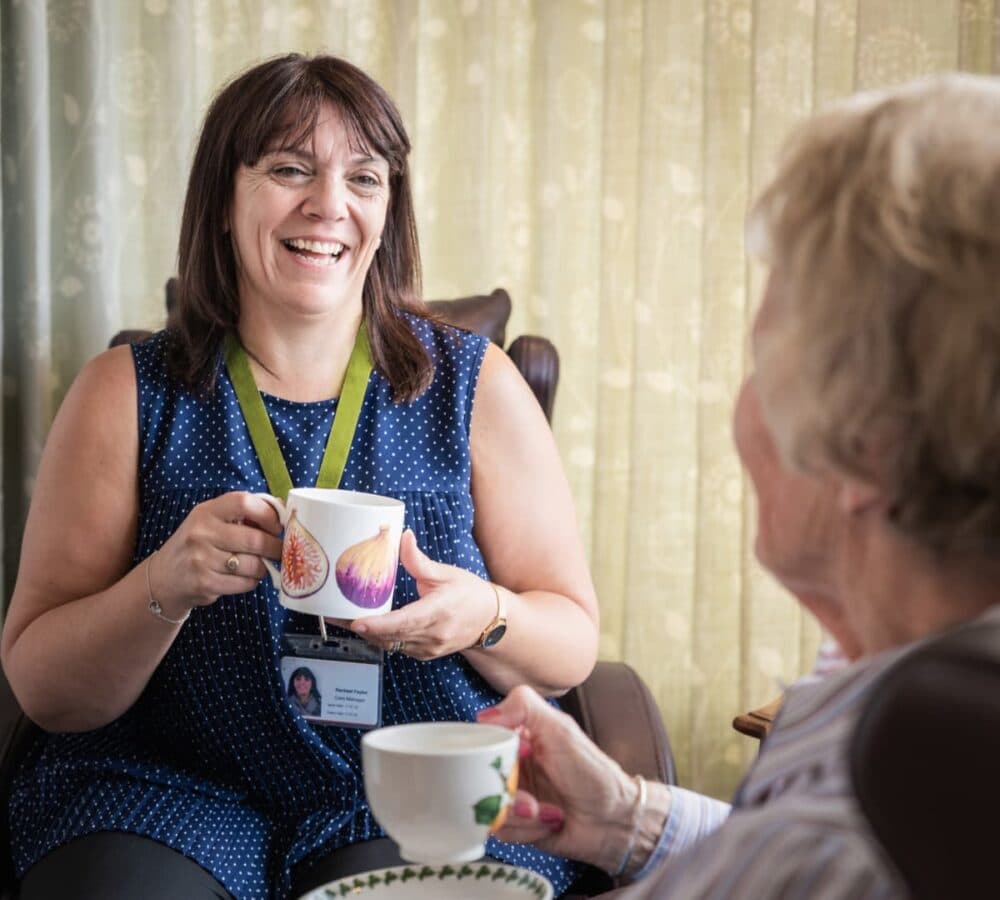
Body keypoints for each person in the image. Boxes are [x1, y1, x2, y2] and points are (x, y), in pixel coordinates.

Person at [1, 54, 599, 900]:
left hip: (412, 780)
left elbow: (571, 645)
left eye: (364, 176)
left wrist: (482, 616)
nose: (329, 205)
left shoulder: (477, 385)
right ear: (222, 199)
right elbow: (41, 684)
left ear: (388, 213)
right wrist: (162, 586)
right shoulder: (123, 395)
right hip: (165, 785)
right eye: (288, 169)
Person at [479, 72, 1000, 898]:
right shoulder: (903, 712)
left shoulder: (843, 844)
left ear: (867, 443)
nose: (740, 408)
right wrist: (626, 817)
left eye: (762, 366)